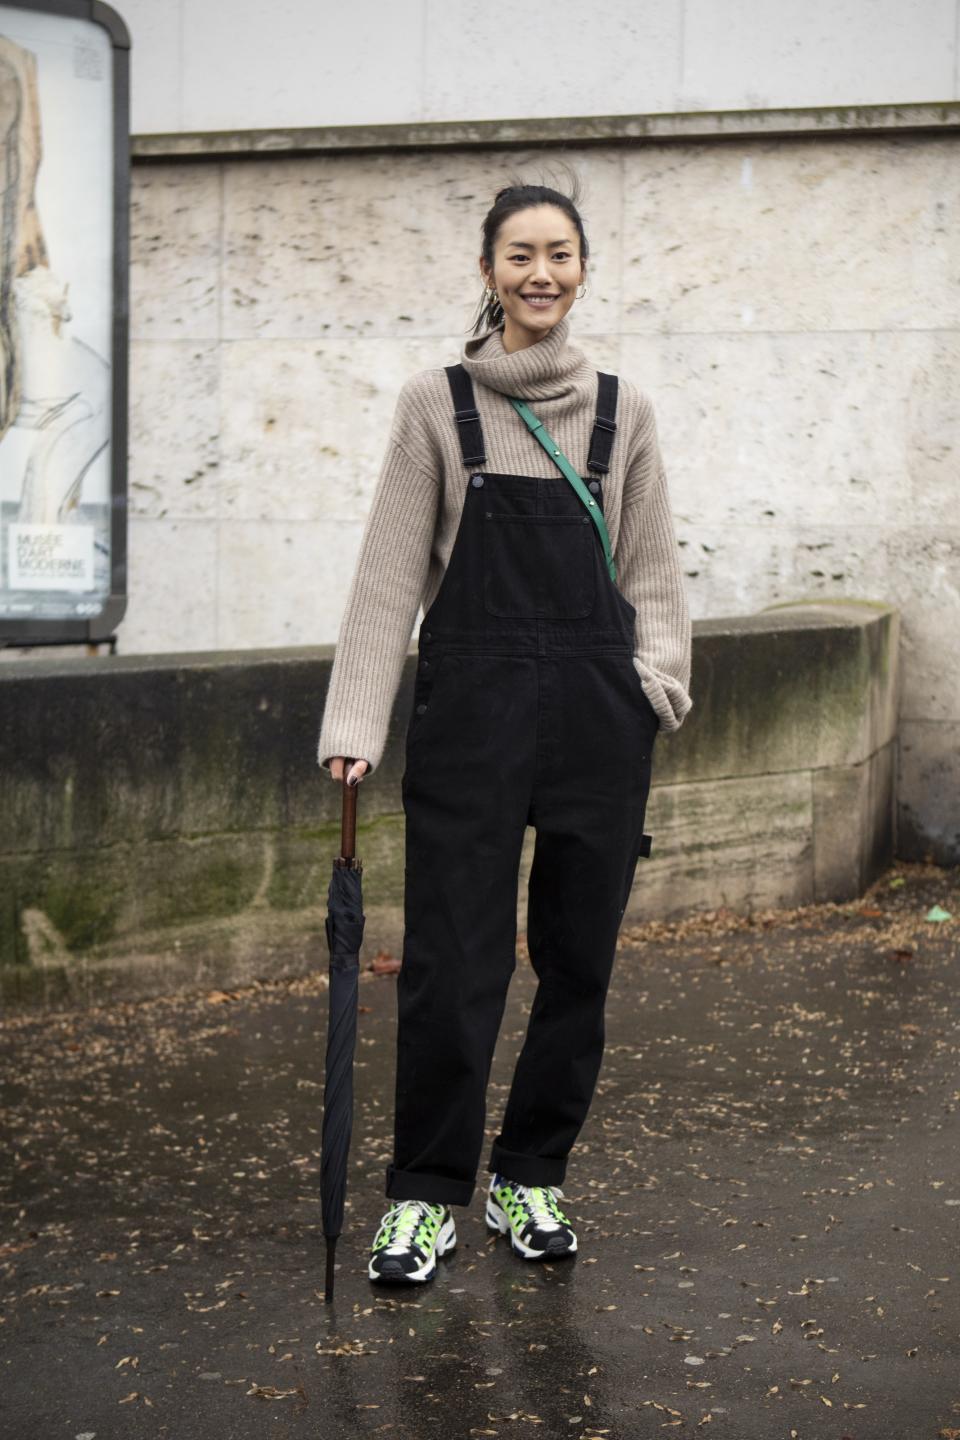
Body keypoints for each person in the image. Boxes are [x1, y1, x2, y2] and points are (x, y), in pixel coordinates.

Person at [317, 179, 692, 1285]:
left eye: (560, 255)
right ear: (487, 271)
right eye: (520, 254)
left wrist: (653, 687)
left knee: (579, 963)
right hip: (470, 719)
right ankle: (427, 1198)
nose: (541, 273)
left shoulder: (626, 409)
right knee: (452, 965)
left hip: (594, 721)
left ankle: (533, 1177)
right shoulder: (435, 403)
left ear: (582, 270)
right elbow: (389, 577)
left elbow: (656, 571)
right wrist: (353, 720)